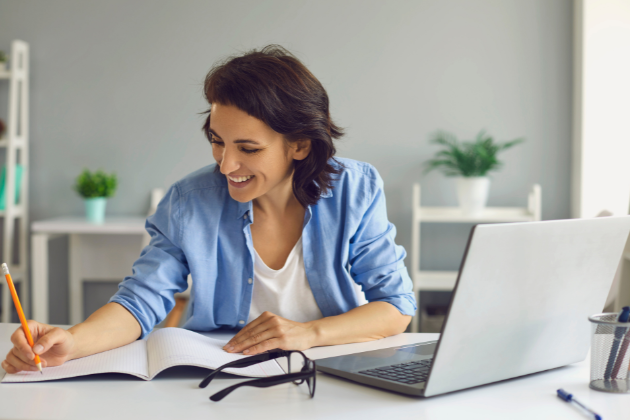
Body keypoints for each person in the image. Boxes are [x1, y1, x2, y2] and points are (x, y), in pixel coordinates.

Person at [2, 45, 416, 374]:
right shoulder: (189, 201)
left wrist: (307, 333)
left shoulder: (354, 188)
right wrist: (72, 342)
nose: (225, 164)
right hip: (217, 375)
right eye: (218, 140)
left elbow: (397, 306)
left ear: (300, 145)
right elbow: (140, 302)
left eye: (248, 148)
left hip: (327, 372)